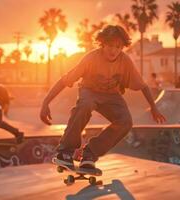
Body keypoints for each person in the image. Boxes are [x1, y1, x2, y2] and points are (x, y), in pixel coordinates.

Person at [39, 25, 166, 170]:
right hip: (89, 91)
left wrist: (154, 108)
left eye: (118, 47)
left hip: (112, 96)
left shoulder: (125, 61)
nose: (113, 51)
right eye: (110, 46)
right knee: (85, 105)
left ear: (122, 47)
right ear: (103, 44)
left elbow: (143, 86)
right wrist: (46, 102)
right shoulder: (91, 58)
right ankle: (65, 152)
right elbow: (64, 80)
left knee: (125, 122)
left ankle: (90, 153)